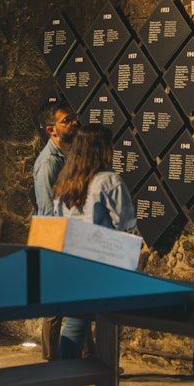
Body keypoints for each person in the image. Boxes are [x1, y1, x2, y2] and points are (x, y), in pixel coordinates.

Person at [52, 124, 137, 360]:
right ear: (103, 148)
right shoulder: (109, 181)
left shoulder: (65, 182)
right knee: (110, 325)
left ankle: (66, 377)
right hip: (105, 264)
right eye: (110, 144)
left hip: (74, 262)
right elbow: (125, 223)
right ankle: (108, 380)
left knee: (75, 323)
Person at [32, 99, 79, 361]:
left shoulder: (69, 155)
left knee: (79, 303)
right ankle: (50, 363)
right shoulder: (49, 163)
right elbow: (49, 211)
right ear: (51, 130)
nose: (74, 123)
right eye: (66, 121)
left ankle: (87, 359)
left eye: (73, 118)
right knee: (54, 306)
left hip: (70, 235)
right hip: (54, 238)